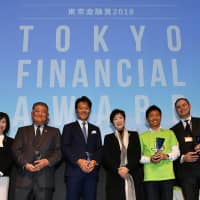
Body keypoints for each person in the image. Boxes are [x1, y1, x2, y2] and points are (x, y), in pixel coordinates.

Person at [12, 102, 62, 200]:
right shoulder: (22, 131)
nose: (40, 114)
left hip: (45, 181)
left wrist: (47, 161)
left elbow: (59, 151)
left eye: (43, 112)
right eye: (37, 111)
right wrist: (25, 164)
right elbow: (15, 150)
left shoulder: (54, 132)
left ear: (47, 115)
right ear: (32, 114)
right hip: (24, 180)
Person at [62, 96, 102, 200]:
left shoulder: (95, 129)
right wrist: (78, 161)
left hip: (91, 173)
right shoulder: (68, 127)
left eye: (86, 108)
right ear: (76, 110)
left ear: (89, 110)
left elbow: (99, 149)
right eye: (81, 108)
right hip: (74, 172)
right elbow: (65, 147)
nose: (84, 110)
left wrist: (94, 161)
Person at [139, 105, 180, 200]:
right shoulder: (142, 136)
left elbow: (177, 152)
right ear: (147, 119)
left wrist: (165, 156)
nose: (154, 118)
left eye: (157, 115)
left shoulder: (169, 133)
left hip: (167, 176)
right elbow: (139, 157)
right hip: (150, 178)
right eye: (151, 115)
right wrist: (150, 159)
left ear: (161, 117)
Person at [103, 109, 144, 200]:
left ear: (124, 120)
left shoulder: (134, 135)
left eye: (120, 118)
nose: (118, 121)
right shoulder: (108, 138)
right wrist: (119, 170)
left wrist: (127, 168)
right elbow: (106, 158)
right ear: (112, 123)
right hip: (115, 177)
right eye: (115, 119)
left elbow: (137, 154)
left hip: (133, 174)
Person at [171, 97, 200, 200]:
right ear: (176, 111)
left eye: (184, 105)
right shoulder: (172, 131)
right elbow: (171, 155)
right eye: (178, 107)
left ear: (189, 106)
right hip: (187, 174)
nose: (181, 108)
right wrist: (183, 158)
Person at [0, 112, 14, 200]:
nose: (1, 124)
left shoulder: (11, 141)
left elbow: (9, 158)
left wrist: (0, 172)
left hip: (3, 178)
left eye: (3, 122)